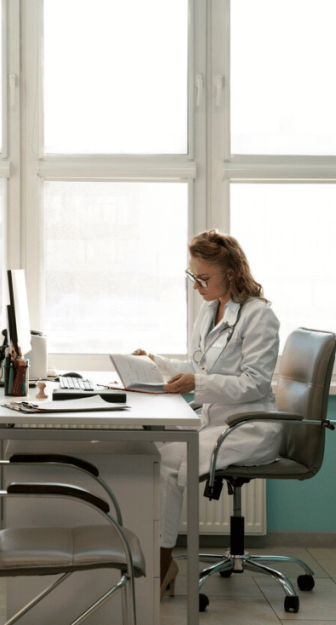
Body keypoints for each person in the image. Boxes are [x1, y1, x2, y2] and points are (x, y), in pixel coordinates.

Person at [133, 230, 281, 597]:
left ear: (230, 273)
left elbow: (255, 384)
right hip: (216, 418)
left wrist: (197, 383)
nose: (197, 285)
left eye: (204, 278)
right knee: (154, 449)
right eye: (192, 277)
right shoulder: (208, 309)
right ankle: (151, 552)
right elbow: (198, 364)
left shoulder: (259, 316)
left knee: (170, 462)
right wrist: (157, 363)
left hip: (248, 425)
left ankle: (164, 561)